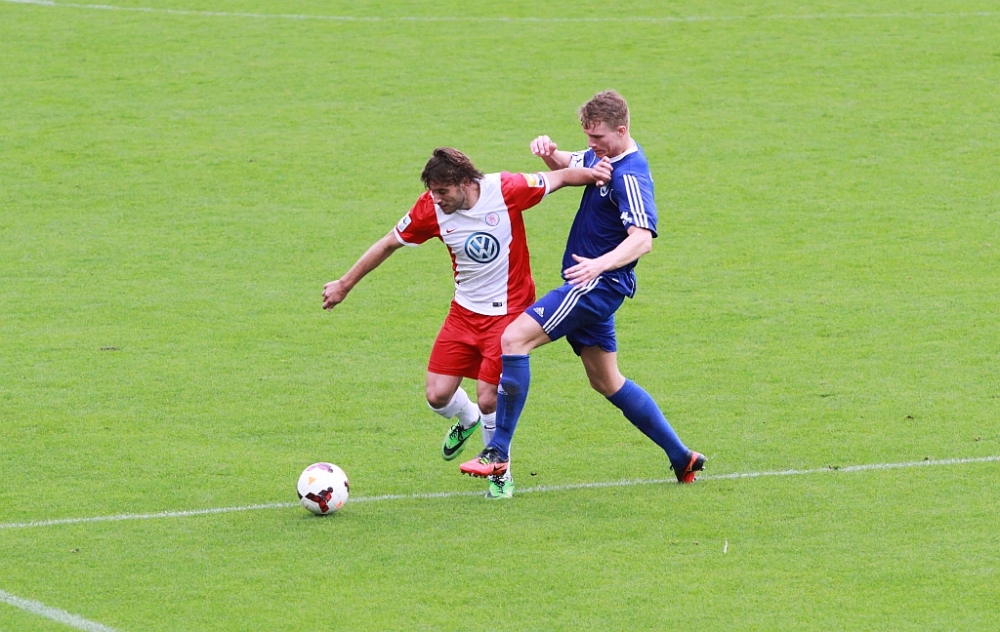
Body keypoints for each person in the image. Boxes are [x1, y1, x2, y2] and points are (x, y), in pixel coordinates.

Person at [323, 147, 612, 498]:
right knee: (437, 396)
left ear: (463, 183)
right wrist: (344, 284)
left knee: (489, 398)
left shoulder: (506, 189)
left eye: (442, 191)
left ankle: (500, 475)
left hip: (508, 312)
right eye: (432, 192)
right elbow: (388, 244)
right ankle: (468, 419)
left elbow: (561, 177)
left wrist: (596, 174)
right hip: (463, 313)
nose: (436, 199)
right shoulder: (430, 209)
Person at [459, 91, 706, 484]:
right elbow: (571, 163)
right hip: (592, 283)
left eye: (598, 137)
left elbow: (642, 239)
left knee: (514, 339)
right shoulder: (601, 155)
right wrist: (549, 153)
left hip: (596, 285)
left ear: (621, 131)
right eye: (588, 136)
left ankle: (498, 452)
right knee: (606, 380)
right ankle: (682, 457)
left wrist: (599, 265)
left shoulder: (631, 175)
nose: (591, 145)